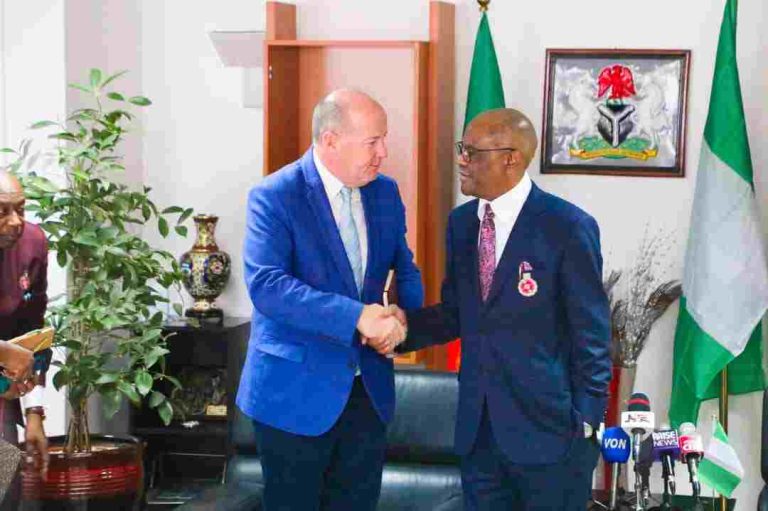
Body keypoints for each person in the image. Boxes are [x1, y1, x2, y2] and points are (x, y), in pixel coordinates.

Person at [392, 108, 611, 510]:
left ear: (510, 158)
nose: (462, 160)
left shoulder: (566, 227)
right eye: (463, 149)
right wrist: (401, 328)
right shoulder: (461, 225)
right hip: (479, 434)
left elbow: (593, 336)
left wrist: (587, 423)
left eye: (472, 152)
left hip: (552, 435)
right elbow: (458, 313)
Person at [236, 89, 423, 511]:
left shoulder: (385, 193)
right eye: (372, 142)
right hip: (293, 394)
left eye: (384, 140)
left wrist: (402, 317)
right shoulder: (275, 196)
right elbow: (268, 286)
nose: (383, 152)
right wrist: (359, 317)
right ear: (331, 140)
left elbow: (404, 268)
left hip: (367, 393)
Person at [0, 171, 50, 511]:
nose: (15, 221)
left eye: (21, 209)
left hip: (2, 394)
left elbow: (34, 336)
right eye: (3, 211)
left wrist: (34, 413)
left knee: (5, 489)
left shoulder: (33, 243)